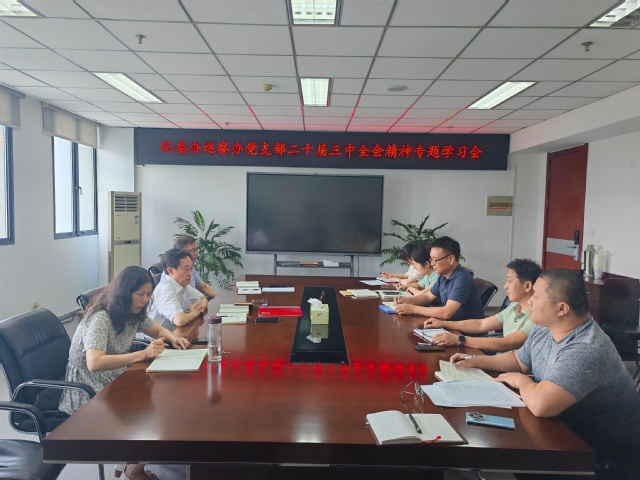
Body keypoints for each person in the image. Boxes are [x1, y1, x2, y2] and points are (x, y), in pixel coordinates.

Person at [451, 269, 640, 478]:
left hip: (602, 455)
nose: (530, 301)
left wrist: (522, 381)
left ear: (561, 308)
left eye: (536, 296)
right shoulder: (545, 328)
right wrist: (476, 360)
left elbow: (542, 405)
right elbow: (518, 361)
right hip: (563, 428)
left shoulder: (586, 348)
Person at [59, 266, 190, 480]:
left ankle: (133, 460)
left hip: (114, 371)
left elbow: (156, 329)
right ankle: (133, 466)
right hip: (88, 385)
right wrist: (142, 354)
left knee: (161, 396)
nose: (144, 300)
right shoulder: (102, 317)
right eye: (140, 294)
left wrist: (172, 338)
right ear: (125, 292)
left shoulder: (133, 312)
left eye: (148, 294)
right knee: (150, 409)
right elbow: (94, 362)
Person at [424, 258, 540, 352]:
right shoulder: (514, 306)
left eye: (509, 281)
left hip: (510, 369)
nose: (505, 286)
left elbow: (506, 343)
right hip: (500, 361)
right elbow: (480, 324)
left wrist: (460, 340)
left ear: (527, 286)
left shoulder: (537, 317)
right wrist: (444, 324)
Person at [394, 236, 484, 320]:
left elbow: (446, 312)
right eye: (431, 260)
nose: (432, 264)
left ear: (451, 259)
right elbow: (427, 297)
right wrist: (407, 301)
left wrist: (413, 309)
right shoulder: (443, 277)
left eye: (435, 260)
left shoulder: (462, 279)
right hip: (449, 324)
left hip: (463, 329)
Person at [148, 248, 208, 332]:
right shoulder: (165, 289)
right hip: (157, 339)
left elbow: (203, 299)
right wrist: (194, 312)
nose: (190, 274)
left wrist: (199, 307)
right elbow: (180, 320)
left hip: (175, 334)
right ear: (171, 271)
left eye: (191, 268)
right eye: (186, 269)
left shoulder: (183, 284)